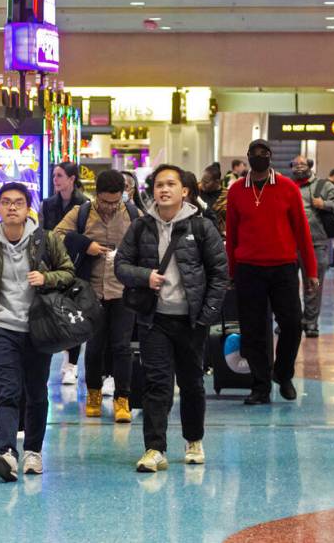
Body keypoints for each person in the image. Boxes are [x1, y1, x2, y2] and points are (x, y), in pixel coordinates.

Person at [115, 164, 228, 473]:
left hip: (192, 322)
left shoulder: (202, 227)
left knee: (192, 384)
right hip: (155, 320)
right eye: (159, 185)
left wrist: (206, 316)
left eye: (171, 184)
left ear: (185, 191)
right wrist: (144, 276)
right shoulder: (141, 227)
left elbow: (220, 274)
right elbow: (121, 265)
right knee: (156, 385)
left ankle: (194, 440)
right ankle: (154, 449)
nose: (163, 190)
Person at [0, 182, 75, 480]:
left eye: (18, 202)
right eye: (6, 202)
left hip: (38, 328)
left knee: (36, 392)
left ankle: (33, 451)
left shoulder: (47, 240)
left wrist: (46, 277)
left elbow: (68, 273)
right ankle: (6, 453)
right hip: (3, 328)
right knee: (7, 391)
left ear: (28, 207)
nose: (12, 207)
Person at [225, 140, 317, 405]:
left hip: (283, 268)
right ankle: (260, 386)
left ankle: (283, 373)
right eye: (254, 154)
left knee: (292, 324)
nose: (259, 157)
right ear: (248, 157)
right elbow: (231, 236)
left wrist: (311, 271)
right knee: (253, 330)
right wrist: (232, 272)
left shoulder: (288, 188)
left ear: (271, 157)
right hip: (248, 270)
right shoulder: (236, 191)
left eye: (263, 154)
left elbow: (302, 233)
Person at [55, 170, 138, 423]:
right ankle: (93, 392)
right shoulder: (82, 212)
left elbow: (149, 241)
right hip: (90, 291)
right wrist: (84, 244)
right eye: (105, 201)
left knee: (122, 346)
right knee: (94, 346)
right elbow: (55, 236)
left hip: (123, 290)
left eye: (116, 201)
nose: (111, 207)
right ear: (96, 195)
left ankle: (122, 398)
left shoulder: (133, 214)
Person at [39, 161, 90, 385]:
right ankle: (54, 355)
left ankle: (71, 364)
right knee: (52, 312)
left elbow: (85, 235)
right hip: (51, 265)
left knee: (73, 313)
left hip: (77, 263)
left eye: (59, 175)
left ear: (72, 179)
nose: (55, 180)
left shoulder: (85, 204)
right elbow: (43, 232)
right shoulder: (48, 204)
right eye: (54, 176)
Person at [290, 155, 334, 338]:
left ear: (310, 166)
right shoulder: (287, 186)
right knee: (287, 286)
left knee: (312, 285)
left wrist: (325, 204)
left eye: (302, 164)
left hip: (316, 243)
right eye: (295, 165)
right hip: (290, 245)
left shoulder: (323, 186)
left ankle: (311, 322)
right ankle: (290, 322)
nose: (298, 167)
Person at [199, 164, 226, 235]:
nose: (202, 184)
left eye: (206, 182)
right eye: (202, 180)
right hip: (197, 232)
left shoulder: (227, 196)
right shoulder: (196, 190)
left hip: (218, 235)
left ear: (217, 182)